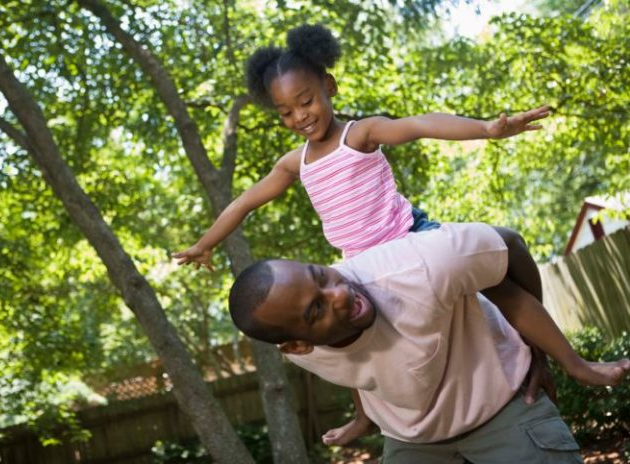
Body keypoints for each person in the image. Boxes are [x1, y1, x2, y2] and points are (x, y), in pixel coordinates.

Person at [175, 23, 626, 443]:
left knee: (502, 289)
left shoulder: (361, 134)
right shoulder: (296, 162)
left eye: (307, 100)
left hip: (408, 237)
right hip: (358, 262)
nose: (299, 116)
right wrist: (204, 243)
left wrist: (486, 130)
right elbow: (245, 202)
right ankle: (365, 415)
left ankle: (573, 362)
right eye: (286, 112)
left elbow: (420, 124)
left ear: (329, 88)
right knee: (348, 345)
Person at [228, 223, 629, 462]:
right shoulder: (304, 354)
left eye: (321, 274)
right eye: (317, 310)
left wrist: (554, 356)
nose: (340, 294)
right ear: (297, 346)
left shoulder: (423, 265)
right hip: (411, 440)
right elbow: (351, 367)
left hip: (502, 407)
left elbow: (509, 248)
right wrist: (364, 417)